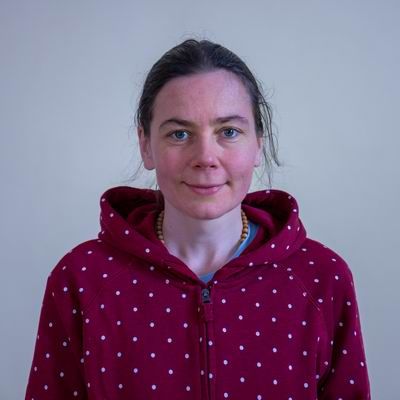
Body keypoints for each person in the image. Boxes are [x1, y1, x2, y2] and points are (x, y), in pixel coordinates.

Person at [25, 38, 371, 399]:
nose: (205, 157)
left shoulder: (322, 277)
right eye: (180, 134)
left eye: (229, 132)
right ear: (146, 145)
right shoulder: (81, 278)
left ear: (258, 143)